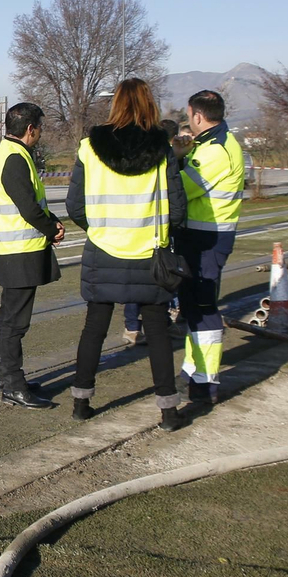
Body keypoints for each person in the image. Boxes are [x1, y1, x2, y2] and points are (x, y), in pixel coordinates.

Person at [66, 78, 188, 431]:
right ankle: (167, 411)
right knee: (159, 333)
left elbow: (75, 205)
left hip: (104, 250)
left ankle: (81, 402)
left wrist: (100, 227)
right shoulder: (162, 150)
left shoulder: (90, 148)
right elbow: (177, 208)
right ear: (150, 104)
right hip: (150, 255)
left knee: (94, 329)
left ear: (114, 104)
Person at [0, 101, 66, 408]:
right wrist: (51, 228)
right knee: (15, 322)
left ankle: (5, 376)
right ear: (31, 129)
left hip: (15, 251)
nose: (40, 135)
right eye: (40, 129)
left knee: (8, 317)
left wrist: (52, 221)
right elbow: (28, 207)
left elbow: (33, 201)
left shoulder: (11, 154)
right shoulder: (16, 158)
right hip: (19, 253)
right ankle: (13, 384)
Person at [175, 90, 246, 408]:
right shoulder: (214, 144)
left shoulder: (215, 151)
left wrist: (170, 162)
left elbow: (181, 190)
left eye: (189, 115)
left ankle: (204, 381)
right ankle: (192, 370)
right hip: (204, 237)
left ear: (197, 116)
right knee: (193, 309)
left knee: (203, 310)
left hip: (206, 240)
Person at [122, 119, 184, 346]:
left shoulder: (140, 154)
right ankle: (142, 325)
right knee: (153, 279)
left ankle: (137, 325)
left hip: (141, 227)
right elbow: (176, 195)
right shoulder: (161, 154)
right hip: (154, 230)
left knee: (144, 281)